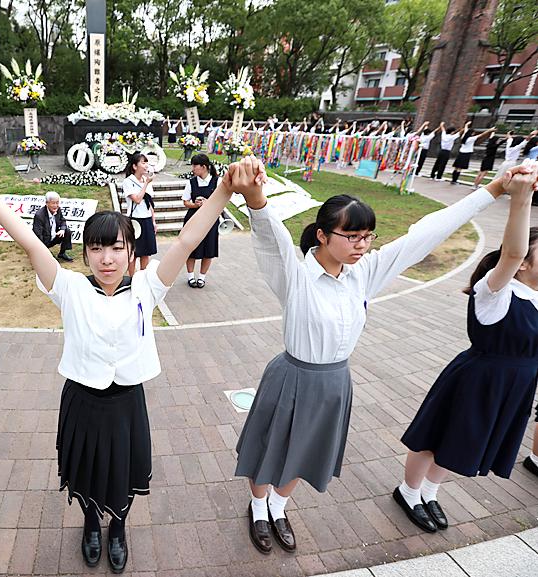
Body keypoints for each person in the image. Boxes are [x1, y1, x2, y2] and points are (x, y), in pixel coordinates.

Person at [0, 144, 262, 573]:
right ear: (85, 254)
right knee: (84, 468)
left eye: (117, 249)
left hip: (126, 401)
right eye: (97, 249)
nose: (106, 259)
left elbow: (189, 237)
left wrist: (226, 190)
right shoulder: (69, 288)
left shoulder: (147, 286)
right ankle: (88, 520)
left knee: (121, 468)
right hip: (82, 400)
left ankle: (117, 526)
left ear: (129, 251)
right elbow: (26, 238)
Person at [232, 158, 522, 556]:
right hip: (292, 376)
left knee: (305, 450)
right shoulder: (294, 274)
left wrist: (493, 190)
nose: (362, 246)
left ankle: (280, 508)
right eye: (352, 236)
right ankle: (258, 507)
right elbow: (269, 233)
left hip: (334, 382)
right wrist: (254, 196)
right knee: (269, 448)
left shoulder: (366, 272)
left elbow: (429, 231)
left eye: (367, 236)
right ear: (322, 235)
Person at [395, 161, 538, 533]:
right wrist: (520, 200)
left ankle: (430, 490)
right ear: (523, 264)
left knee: (464, 440)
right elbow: (511, 252)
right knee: (434, 436)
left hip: (514, 386)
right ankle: (408, 492)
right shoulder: (497, 291)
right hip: (479, 377)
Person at [182, 153, 220, 288]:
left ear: (203, 167)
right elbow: (185, 202)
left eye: (195, 166)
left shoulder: (217, 181)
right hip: (193, 219)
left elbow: (221, 202)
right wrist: (196, 204)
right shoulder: (191, 182)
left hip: (210, 220)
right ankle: (191, 276)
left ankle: (202, 277)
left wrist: (207, 203)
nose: (193, 168)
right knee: (190, 248)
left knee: (208, 249)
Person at [122, 152, 157, 275]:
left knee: (146, 253)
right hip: (135, 220)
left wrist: (153, 221)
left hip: (147, 220)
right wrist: (146, 184)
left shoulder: (146, 180)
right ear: (135, 166)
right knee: (134, 253)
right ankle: (132, 279)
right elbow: (137, 199)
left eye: (146, 162)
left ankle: (143, 278)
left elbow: (149, 202)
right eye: (143, 162)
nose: (146, 165)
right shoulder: (128, 181)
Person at [32, 191, 74, 262]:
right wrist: (45, 251)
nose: (55, 205)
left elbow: (63, 220)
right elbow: (38, 235)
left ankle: (62, 253)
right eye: (53, 203)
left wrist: (62, 229)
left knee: (67, 231)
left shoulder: (58, 210)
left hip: (54, 236)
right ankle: (44, 254)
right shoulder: (39, 215)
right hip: (44, 240)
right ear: (47, 203)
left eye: (57, 203)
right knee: (50, 259)